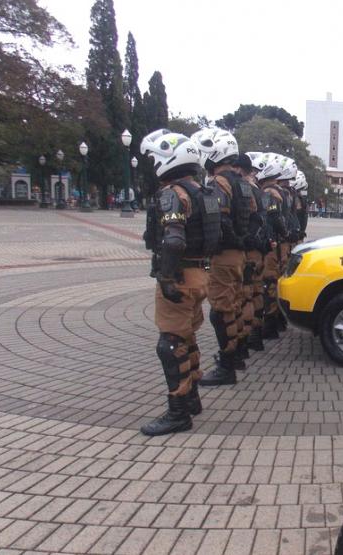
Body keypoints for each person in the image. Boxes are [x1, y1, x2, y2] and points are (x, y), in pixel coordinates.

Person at [139, 129, 221, 436]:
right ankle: (192, 397)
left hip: (182, 274)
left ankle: (178, 412)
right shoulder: (203, 192)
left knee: (170, 343)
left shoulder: (173, 194)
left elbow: (173, 241)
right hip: (201, 273)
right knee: (187, 338)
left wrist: (166, 277)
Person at [191, 128, 251, 384]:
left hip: (224, 254)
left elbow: (219, 220)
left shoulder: (218, 183)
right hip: (240, 254)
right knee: (234, 307)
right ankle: (235, 356)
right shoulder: (243, 184)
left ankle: (226, 367)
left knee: (221, 311)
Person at [234, 152, 270, 355]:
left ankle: (244, 342)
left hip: (247, 249)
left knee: (244, 296)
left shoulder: (245, 189)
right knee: (256, 292)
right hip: (259, 247)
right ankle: (254, 335)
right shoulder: (259, 191)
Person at [256, 154, 290, 339]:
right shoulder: (282, 191)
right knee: (275, 282)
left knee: (269, 283)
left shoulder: (270, 193)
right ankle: (277, 321)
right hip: (280, 245)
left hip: (273, 247)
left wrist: (280, 235)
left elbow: (274, 217)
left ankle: (270, 326)